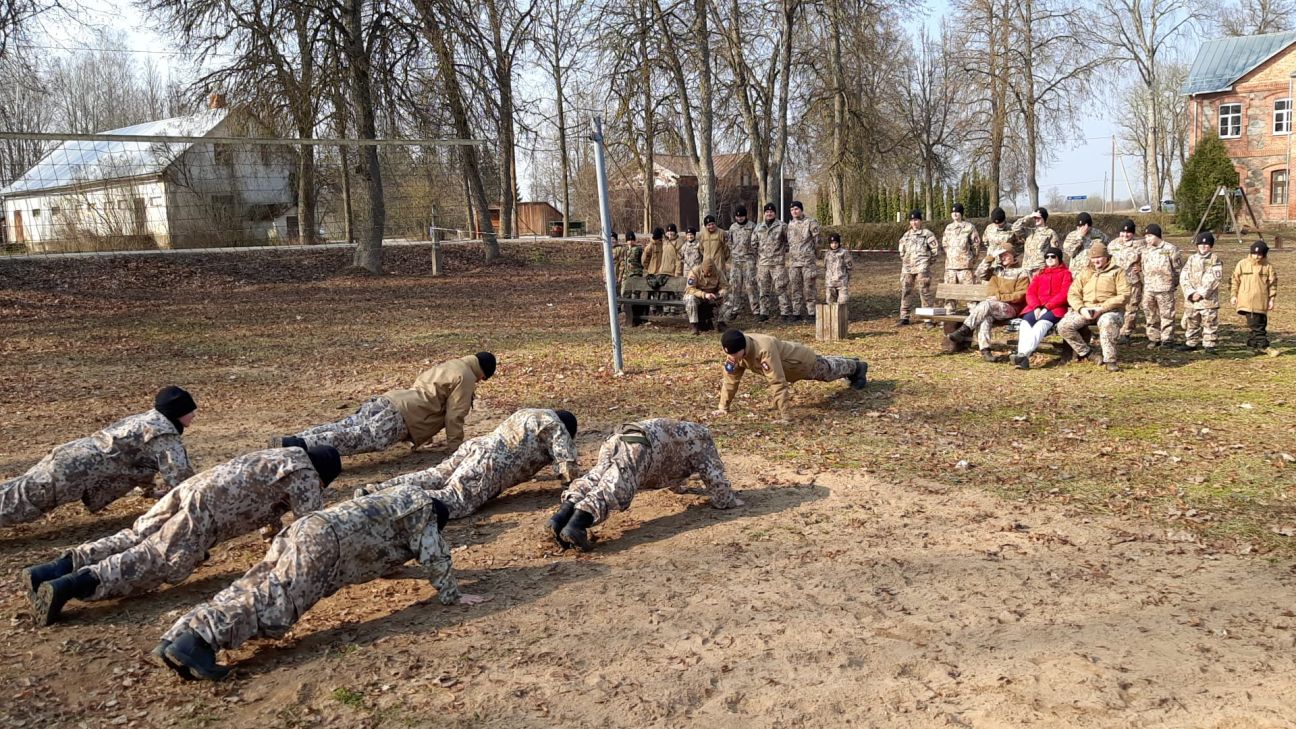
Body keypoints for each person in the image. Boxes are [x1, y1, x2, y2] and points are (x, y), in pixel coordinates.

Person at [154, 485, 488, 681]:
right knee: (277, 603)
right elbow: (434, 556)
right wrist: (453, 594)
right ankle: (199, 641)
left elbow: (379, 534)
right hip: (324, 544)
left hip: (309, 526)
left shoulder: (401, 495)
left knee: (255, 582)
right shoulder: (426, 513)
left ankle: (181, 633)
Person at [24, 446, 341, 626]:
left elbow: (266, 501)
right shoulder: (307, 477)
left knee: (136, 536)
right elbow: (309, 527)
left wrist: (271, 537)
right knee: (154, 559)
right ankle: (69, 586)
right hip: (208, 511)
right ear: (324, 476)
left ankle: (53, 569)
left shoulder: (285, 455)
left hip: (191, 489)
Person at [1, 386, 197, 528]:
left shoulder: (147, 420)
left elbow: (136, 461)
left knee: (16, 489)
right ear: (176, 413)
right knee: (20, 505)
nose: (194, 414)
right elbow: (181, 478)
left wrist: (150, 490)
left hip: (69, 457)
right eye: (190, 411)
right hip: (74, 474)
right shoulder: (165, 435)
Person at [545, 419, 742, 552]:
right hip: (640, 444)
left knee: (597, 477)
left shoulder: (684, 433)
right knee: (616, 486)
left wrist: (680, 489)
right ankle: (577, 524)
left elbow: (670, 464)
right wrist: (728, 500)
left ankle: (561, 516)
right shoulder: (702, 438)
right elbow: (715, 477)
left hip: (619, 437)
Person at [354, 409, 579, 518]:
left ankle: (375, 490)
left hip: (477, 446)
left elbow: (524, 447)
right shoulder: (557, 427)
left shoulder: (532, 413)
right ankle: (385, 506)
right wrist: (575, 489)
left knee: (435, 475)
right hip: (491, 465)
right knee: (455, 499)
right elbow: (566, 465)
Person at [273, 353, 496, 456]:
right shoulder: (466, 377)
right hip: (401, 417)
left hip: (390, 400)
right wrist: (456, 449)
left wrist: (424, 438)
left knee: (345, 425)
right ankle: (299, 447)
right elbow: (454, 415)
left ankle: (293, 439)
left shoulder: (453, 364)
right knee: (354, 438)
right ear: (483, 375)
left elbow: (429, 396)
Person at [713, 329, 868, 421]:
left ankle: (857, 366)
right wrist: (723, 407)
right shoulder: (735, 352)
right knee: (829, 365)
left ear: (743, 348)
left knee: (829, 371)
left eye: (734, 354)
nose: (731, 357)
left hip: (801, 363)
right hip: (787, 368)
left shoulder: (764, 349)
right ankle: (850, 363)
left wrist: (785, 416)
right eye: (729, 354)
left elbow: (777, 382)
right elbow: (730, 381)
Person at [1057, 242, 1130, 372]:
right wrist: (1081, 309)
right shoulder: (1085, 273)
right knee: (1064, 326)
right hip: (1087, 310)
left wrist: (1102, 308)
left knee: (1106, 321)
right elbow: (1073, 293)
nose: (1096, 260)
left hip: (1110, 311)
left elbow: (1124, 295)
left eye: (1099, 257)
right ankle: (1088, 353)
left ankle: (1110, 360)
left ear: (1107, 257)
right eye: (1093, 257)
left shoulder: (1117, 272)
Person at [947, 247, 1029, 362]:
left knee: (986, 305)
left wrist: (1000, 297)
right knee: (985, 318)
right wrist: (990, 258)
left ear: (1013, 255)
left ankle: (964, 329)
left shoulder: (1022, 272)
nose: (1002, 257)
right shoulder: (996, 271)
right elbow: (979, 273)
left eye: (1005, 255)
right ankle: (986, 351)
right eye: (1000, 256)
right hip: (992, 307)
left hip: (1010, 308)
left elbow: (1021, 295)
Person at [1012, 247, 1072, 369]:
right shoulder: (1040, 274)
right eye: (1047, 256)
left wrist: (1047, 307)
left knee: (1041, 325)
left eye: (1053, 256)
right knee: (1025, 324)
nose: (1049, 259)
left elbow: (1065, 293)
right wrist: (1036, 307)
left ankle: (1022, 355)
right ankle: (1022, 358)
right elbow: (1031, 292)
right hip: (1035, 307)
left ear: (1059, 258)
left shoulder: (1066, 274)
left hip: (1055, 308)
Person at [1178, 232, 1223, 353]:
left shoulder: (1215, 259)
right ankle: (1191, 342)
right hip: (1192, 299)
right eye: (1201, 244)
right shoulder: (1192, 258)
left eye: (1207, 244)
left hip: (1207, 299)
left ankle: (1209, 344)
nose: (1203, 246)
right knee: (1192, 321)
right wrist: (1190, 293)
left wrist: (1201, 293)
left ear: (1211, 246)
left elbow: (1214, 278)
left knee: (1209, 322)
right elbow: (1184, 276)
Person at [1139, 223, 1183, 349]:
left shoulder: (1170, 249)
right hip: (1149, 288)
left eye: (1150, 236)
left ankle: (1167, 339)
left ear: (1157, 235)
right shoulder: (1145, 250)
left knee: (1166, 314)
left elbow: (1177, 269)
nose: (1147, 239)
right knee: (1150, 313)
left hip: (1165, 287)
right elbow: (1143, 267)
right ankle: (1154, 337)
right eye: (1146, 237)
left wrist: (1173, 284)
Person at [1231, 240, 1279, 353]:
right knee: (1257, 325)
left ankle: (1252, 343)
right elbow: (1235, 281)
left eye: (1259, 254)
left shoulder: (1268, 267)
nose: (1256, 256)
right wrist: (1234, 295)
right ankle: (1264, 346)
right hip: (1246, 300)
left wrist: (1272, 299)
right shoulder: (1242, 264)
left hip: (1262, 300)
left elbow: (1272, 284)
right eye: (1254, 254)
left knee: (1261, 322)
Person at [897, 209, 939, 326]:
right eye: (912, 220)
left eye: (916, 220)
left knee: (924, 290)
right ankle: (904, 317)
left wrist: (927, 263)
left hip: (922, 267)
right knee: (906, 290)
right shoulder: (906, 235)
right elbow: (901, 251)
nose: (914, 223)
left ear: (920, 221)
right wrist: (906, 261)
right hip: (908, 267)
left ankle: (927, 319)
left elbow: (935, 251)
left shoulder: (927, 234)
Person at [753, 203, 792, 322]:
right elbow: (753, 243)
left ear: (775, 213)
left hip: (777, 264)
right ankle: (764, 312)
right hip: (763, 264)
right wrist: (760, 255)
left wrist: (781, 252)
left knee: (781, 288)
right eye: (767, 212)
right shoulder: (759, 227)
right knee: (763, 290)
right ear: (764, 213)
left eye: (771, 212)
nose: (769, 214)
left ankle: (784, 312)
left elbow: (788, 241)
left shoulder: (782, 226)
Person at [940, 203, 983, 309]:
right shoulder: (948, 228)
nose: (955, 214)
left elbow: (976, 245)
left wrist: (971, 260)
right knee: (950, 293)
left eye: (957, 212)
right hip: (950, 267)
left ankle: (973, 313)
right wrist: (951, 256)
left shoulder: (969, 227)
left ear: (961, 214)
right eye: (953, 212)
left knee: (970, 294)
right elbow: (944, 244)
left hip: (965, 266)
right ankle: (950, 313)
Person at [1107, 219, 1144, 343]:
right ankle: (1114, 330)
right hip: (1115, 282)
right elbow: (1107, 260)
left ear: (1133, 233)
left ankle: (1126, 333)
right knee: (1115, 307)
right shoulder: (1113, 244)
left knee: (1131, 307)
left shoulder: (1140, 244)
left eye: (1128, 232)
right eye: (1123, 232)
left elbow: (1149, 259)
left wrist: (1141, 267)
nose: (1125, 235)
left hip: (1132, 281)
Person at [785, 201, 821, 322]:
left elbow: (817, 242)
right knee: (795, 288)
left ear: (801, 209)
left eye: (796, 209)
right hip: (794, 263)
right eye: (792, 210)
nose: (794, 212)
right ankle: (797, 312)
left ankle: (812, 312)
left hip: (807, 263)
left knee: (809, 288)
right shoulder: (790, 225)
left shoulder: (811, 222)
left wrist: (813, 255)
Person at [722, 206, 759, 322]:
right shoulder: (732, 227)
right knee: (735, 286)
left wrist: (753, 253)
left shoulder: (752, 226)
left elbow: (757, 242)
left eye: (741, 216)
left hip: (748, 260)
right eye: (738, 216)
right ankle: (734, 309)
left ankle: (756, 310)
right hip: (736, 261)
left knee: (751, 286)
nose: (740, 218)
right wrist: (734, 251)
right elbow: (729, 241)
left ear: (745, 216)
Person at [684, 258, 729, 334]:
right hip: (698, 296)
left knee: (729, 298)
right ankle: (694, 325)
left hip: (713, 296)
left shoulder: (718, 272)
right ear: (702, 269)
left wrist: (720, 294)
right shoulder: (694, 272)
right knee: (690, 298)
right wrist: (704, 294)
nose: (709, 275)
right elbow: (690, 289)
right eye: (707, 272)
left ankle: (721, 323)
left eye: (711, 273)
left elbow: (724, 286)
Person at [1012, 207, 1060, 276]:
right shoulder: (1029, 232)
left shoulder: (1050, 233)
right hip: (1026, 269)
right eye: (1034, 218)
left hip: (1040, 269)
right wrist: (1027, 217)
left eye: (1038, 217)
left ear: (1044, 218)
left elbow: (1055, 252)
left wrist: (1051, 268)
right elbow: (1015, 228)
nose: (1036, 219)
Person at [823, 232, 853, 304]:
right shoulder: (827, 254)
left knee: (843, 301)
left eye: (836, 243)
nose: (834, 245)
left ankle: (842, 314)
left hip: (841, 281)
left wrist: (847, 278)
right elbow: (825, 266)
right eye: (832, 243)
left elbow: (849, 267)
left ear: (839, 243)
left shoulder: (844, 253)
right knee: (830, 302)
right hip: (830, 282)